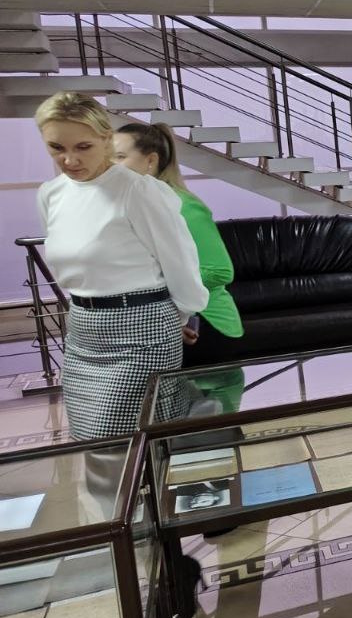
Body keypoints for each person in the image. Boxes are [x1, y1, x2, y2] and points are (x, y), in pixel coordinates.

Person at [35, 92, 208, 440]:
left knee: (120, 443)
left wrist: (179, 318)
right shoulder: (51, 194)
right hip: (82, 330)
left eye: (83, 146)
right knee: (87, 439)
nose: (69, 159)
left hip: (143, 331)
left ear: (106, 139)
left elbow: (180, 262)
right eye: (56, 148)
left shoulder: (139, 191)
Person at [114, 122, 244, 366]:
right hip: (161, 323)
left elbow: (220, 270)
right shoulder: (133, 204)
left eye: (120, 157)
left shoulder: (183, 206)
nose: (110, 165)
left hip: (203, 325)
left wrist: (157, 288)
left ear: (151, 161)